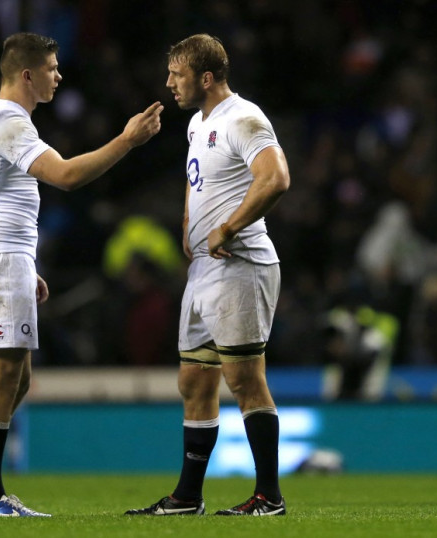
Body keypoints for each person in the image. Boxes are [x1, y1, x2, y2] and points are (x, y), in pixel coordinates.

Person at [0, 32, 163, 518]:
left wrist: (29, 266)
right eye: (51, 67)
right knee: (3, 377)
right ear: (27, 74)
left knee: (16, 380)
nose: (59, 75)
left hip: (7, 257)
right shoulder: (8, 120)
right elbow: (66, 175)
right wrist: (127, 140)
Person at [126, 34, 290, 516]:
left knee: (244, 379)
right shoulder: (200, 124)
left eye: (176, 74)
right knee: (195, 381)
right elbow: (199, 179)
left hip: (241, 264)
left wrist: (229, 226)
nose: (169, 83)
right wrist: (187, 223)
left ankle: (269, 496)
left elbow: (276, 177)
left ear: (206, 77)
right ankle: (187, 497)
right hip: (204, 269)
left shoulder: (243, 117)